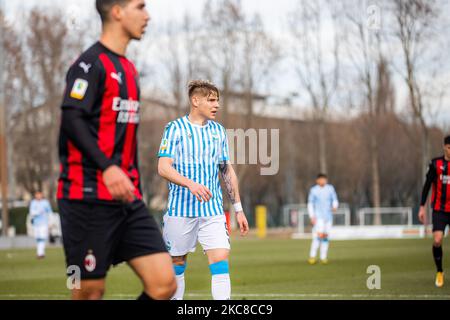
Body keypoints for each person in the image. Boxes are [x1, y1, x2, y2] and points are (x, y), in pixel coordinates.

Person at [57, 0, 176, 300]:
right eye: (140, 6)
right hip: (85, 198)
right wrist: (108, 167)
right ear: (117, 11)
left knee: (164, 283)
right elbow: (72, 119)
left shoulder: (129, 69)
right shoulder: (88, 65)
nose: (147, 15)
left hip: (127, 199)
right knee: (86, 291)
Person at [158, 80, 249, 300]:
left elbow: (226, 171)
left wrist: (238, 208)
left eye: (217, 100)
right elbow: (163, 167)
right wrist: (190, 183)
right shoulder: (175, 128)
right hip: (180, 211)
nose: (216, 105)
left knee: (220, 261)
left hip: (213, 210)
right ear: (195, 100)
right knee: (177, 263)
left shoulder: (218, 131)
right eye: (211, 100)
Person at [419, 135, 450, 288]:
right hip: (439, 210)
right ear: (444, 147)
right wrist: (421, 206)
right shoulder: (435, 164)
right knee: (437, 240)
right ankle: (439, 271)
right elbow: (426, 186)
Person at [307, 173, 339, 265]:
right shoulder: (314, 190)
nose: (322, 181)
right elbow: (310, 204)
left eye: (324, 179)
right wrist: (312, 216)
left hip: (328, 216)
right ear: (317, 180)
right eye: (321, 179)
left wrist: (335, 206)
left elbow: (335, 200)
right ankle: (312, 256)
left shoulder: (330, 189)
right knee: (318, 236)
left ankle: (323, 257)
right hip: (318, 217)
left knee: (325, 237)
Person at [29, 191, 52, 259]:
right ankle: (40, 253)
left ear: (41, 195)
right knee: (38, 238)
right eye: (37, 195)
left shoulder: (45, 203)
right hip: (36, 224)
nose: (38, 196)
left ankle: (40, 253)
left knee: (42, 238)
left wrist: (51, 222)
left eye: (39, 194)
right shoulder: (33, 202)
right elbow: (31, 212)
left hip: (43, 223)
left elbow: (50, 213)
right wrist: (38, 212)